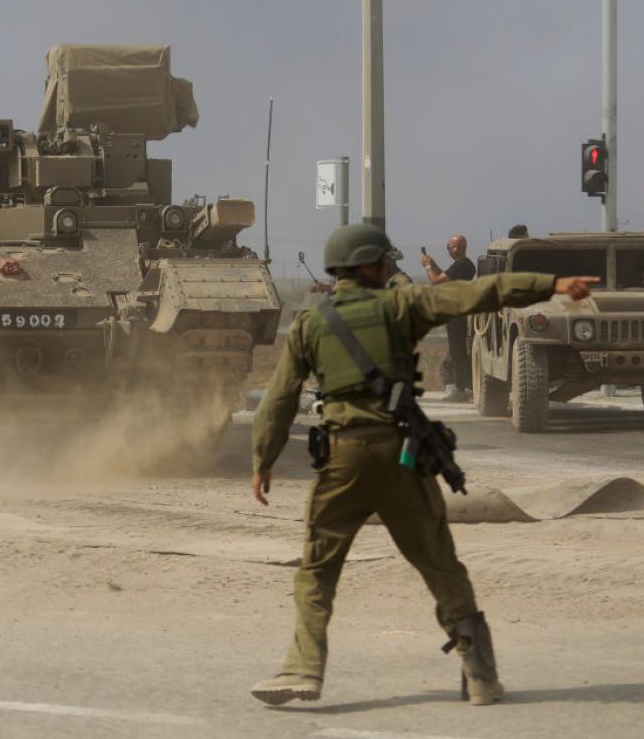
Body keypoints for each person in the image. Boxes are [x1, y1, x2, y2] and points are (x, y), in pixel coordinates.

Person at [249, 224, 597, 707]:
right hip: (401, 457)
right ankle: (480, 676)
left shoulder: (310, 323)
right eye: (385, 264)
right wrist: (552, 285)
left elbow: (279, 398)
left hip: (342, 460)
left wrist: (263, 459)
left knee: (316, 570)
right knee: (439, 565)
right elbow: (480, 292)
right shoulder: (402, 305)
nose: (391, 270)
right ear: (368, 267)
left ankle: (304, 669)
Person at [421, 236, 475, 402]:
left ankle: (461, 389)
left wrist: (428, 266)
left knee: (457, 350)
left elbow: (437, 282)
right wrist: (434, 264)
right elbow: (445, 275)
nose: (447, 249)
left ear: (456, 247)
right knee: (457, 351)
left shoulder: (461, 265)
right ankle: (463, 387)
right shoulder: (466, 265)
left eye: (448, 246)